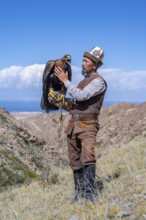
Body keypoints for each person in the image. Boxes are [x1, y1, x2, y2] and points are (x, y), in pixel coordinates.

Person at [54, 46, 107, 203]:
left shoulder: (98, 82)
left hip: (88, 125)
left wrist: (65, 80)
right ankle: (79, 192)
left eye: (86, 61)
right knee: (74, 159)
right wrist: (62, 102)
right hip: (73, 124)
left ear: (95, 65)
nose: (82, 63)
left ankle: (90, 194)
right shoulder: (84, 81)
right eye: (83, 61)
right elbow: (77, 102)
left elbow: (82, 96)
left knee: (87, 157)